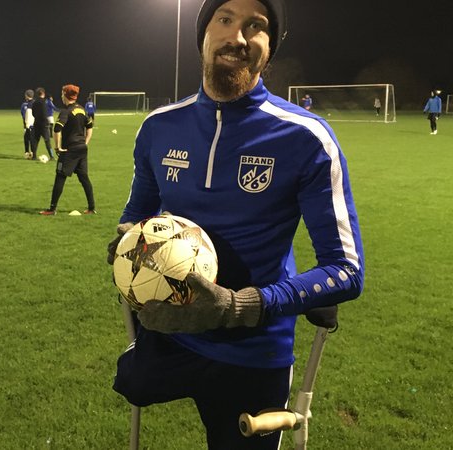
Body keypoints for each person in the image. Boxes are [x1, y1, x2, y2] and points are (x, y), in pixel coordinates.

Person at [106, 1, 365, 448]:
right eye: (224, 19)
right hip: (170, 336)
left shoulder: (306, 137)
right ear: (204, 34)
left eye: (256, 26)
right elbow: (134, 220)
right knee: (132, 382)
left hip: (254, 350)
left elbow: (346, 270)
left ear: (269, 47)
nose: (238, 36)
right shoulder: (158, 128)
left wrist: (238, 306)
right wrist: (128, 247)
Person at [39, 84, 96, 216]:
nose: (61, 96)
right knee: (84, 178)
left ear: (65, 95)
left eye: (62, 93)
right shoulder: (81, 109)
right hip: (82, 148)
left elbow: (57, 129)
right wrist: (85, 142)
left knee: (60, 176)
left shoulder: (66, 111)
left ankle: (52, 209)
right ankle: (92, 207)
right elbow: (90, 127)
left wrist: (57, 147)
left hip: (70, 150)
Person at [31, 87, 56, 160]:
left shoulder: (34, 102)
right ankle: (51, 156)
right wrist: (46, 121)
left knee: (35, 140)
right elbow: (45, 113)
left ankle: (34, 156)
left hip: (36, 123)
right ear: (43, 94)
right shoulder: (44, 102)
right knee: (47, 140)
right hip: (44, 124)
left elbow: (33, 113)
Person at [22, 89, 35, 159]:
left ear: (26, 96)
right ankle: (33, 153)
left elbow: (23, 115)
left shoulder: (24, 105)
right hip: (35, 125)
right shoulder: (36, 103)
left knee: (26, 139)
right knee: (33, 139)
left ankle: (27, 152)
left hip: (27, 124)